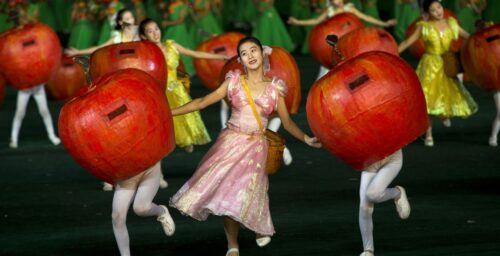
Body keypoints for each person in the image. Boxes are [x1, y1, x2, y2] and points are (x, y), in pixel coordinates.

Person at [169, 36, 321, 256]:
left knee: (251, 191)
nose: (250, 56)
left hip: (256, 148)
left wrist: (306, 138)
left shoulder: (275, 89)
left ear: (262, 53)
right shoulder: (233, 81)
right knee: (227, 193)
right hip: (230, 143)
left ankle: (257, 227)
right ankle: (233, 244)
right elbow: (203, 101)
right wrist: (170, 112)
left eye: (253, 50)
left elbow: (287, 122)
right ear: (240, 59)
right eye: (244, 53)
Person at [139, 18, 227, 153]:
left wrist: (221, 58)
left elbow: (195, 54)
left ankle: (184, 140)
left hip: (176, 89)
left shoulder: (172, 46)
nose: (155, 33)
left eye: (156, 29)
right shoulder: (145, 53)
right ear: (144, 36)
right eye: (150, 31)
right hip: (159, 91)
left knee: (184, 120)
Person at [398, 0, 478, 147]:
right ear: (428, 13)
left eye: (439, 7)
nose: (438, 11)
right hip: (429, 67)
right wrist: (393, 52)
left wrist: (482, 38)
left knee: (447, 95)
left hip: (447, 64)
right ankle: (429, 134)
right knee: (427, 102)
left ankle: (443, 114)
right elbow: (407, 42)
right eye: (433, 10)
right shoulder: (424, 27)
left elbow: (469, 36)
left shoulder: (451, 23)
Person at [288, 0, 397, 79]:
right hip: (335, 43)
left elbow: (366, 17)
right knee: (332, 64)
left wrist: (384, 23)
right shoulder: (329, 10)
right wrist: (297, 22)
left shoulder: (349, 8)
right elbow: (316, 20)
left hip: (349, 42)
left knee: (352, 63)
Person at [8, 4, 60, 149]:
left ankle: (52, 136)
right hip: (25, 85)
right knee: (20, 113)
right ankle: (13, 139)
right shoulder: (12, 38)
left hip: (37, 83)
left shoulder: (34, 31)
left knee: (44, 111)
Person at [110, 161, 175, 256]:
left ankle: (161, 211)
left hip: (149, 168)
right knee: (117, 216)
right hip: (126, 172)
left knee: (141, 208)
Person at [357, 150, 410, 256]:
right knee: (364, 207)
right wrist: (323, 138)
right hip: (370, 159)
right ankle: (368, 250)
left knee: (373, 194)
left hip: (392, 158)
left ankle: (397, 193)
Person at [66, 8, 139, 56]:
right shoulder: (117, 38)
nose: (131, 21)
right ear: (120, 22)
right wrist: (78, 52)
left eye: (132, 17)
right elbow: (99, 48)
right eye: (127, 19)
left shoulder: (138, 33)